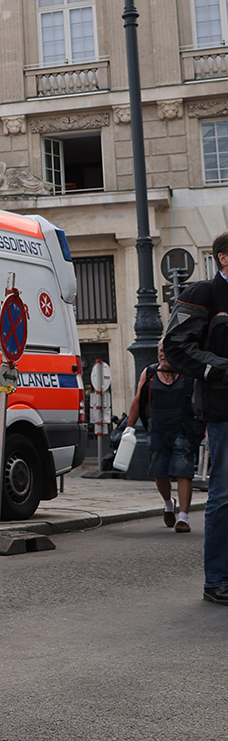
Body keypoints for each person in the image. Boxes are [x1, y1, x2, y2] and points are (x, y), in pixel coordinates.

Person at [163, 229, 228, 606]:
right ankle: (217, 580)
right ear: (224, 257)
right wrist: (220, 368)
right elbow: (175, 345)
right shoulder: (204, 293)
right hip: (223, 410)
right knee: (224, 494)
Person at [124, 340, 202, 533]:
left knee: (183, 471)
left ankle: (183, 518)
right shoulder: (150, 373)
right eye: (161, 350)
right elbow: (138, 400)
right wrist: (129, 427)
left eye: (167, 351)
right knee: (159, 473)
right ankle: (168, 504)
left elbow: (200, 401)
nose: (163, 354)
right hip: (157, 431)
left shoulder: (188, 374)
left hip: (183, 431)